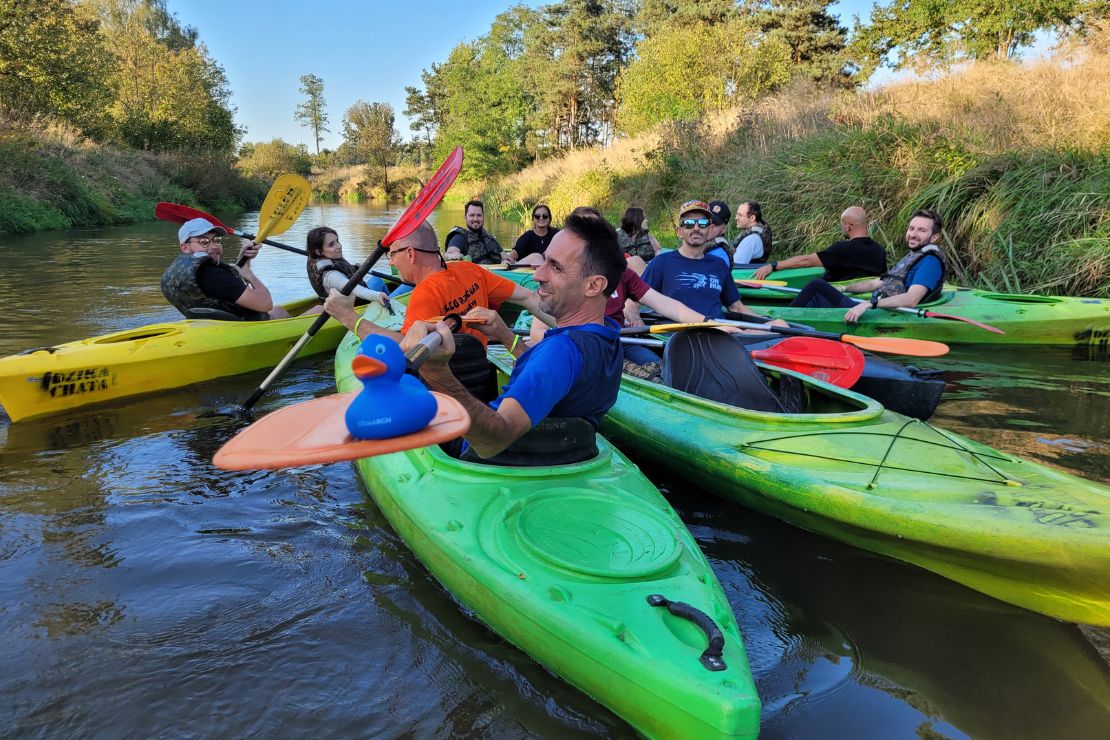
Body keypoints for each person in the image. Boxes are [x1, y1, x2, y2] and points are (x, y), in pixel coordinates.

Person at [401, 206, 628, 460]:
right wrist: (506, 335)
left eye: (555, 267)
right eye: (544, 260)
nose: (538, 274)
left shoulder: (560, 351)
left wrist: (437, 373)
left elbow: (493, 441)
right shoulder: (609, 336)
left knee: (414, 376)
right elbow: (547, 377)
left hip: (480, 452)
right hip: (555, 451)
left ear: (594, 285)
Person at [324, 220, 554, 355]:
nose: (391, 262)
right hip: (479, 369)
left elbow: (404, 349)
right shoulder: (469, 269)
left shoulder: (423, 296)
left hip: (448, 388)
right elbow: (529, 298)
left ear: (411, 254)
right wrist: (574, 328)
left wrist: (349, 318)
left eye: (392, 254)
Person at [786, 209, 947, 324]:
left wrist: (869, 304)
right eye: (911, 228)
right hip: (879, 305)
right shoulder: (915, 255)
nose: (913, 234)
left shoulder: (930, 263)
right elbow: (877, 283)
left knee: (817, 286)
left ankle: (783, 321)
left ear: (934, 237)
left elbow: (911, 299)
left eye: (921, 230)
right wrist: (845, 288)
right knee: (823, 289)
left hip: (881, 314)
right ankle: (794, 319)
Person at [639, 200, 775, 321]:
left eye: (703, 223)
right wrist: (634, 318)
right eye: (689, 223)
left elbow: (736, 308)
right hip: (677, 339)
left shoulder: (719, 265)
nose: (696, 228)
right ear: (679, 231)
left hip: (718, 336)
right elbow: (633, 301)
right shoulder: (661, 263)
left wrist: (767, 322)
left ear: (709, 230)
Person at [161, 217, 306, 320]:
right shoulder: (214, 275)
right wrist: (249, 274)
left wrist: (242, 263)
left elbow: (221, 293)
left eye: (216, 240)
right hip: (245, 330)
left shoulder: (173, 273)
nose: (213, 246)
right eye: (204, 241)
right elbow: (265, 304)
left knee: (279, 310)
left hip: (210, 328)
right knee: (320, 308)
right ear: (185, 247)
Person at [751, 206, 886, 283]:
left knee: (814, 284)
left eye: (842, 225)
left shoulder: (843, 249)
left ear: (848, 226)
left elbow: (807, 261)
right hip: (862, 299)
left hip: (839, 301)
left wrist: (774, 266)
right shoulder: (880, 251)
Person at [305, 226, 391, 307]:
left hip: (356, 297)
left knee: (377, 280)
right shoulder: (331, 275)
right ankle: (391, 307)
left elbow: (344, 271)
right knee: (404, 286)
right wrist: (377, 295)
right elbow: (356, 290)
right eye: (331, 244)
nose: (339, 246)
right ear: (318, 252)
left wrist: (356, 269)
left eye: (337, 241)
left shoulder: (323, 258)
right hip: (357, 306)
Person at [444, 200, 503, 264]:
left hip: (499, 271)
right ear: (465, 217)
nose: (475, 219)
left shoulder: (487, 237)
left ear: (483, 217)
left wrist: (507, 260)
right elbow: (449, 254)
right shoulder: (459, 238)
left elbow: (504, 256)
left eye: (479, 215)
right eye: (472, 215)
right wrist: (452, 255)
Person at [615, 207, 661, 271]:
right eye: (644, 218)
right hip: (628, 271)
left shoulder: (647, 235)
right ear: (636, 219)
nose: (646, 220)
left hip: (648, 269)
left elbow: (658, 250)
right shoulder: (618, 235)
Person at [732, 200, 772, 265]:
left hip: (744, 274)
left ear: (752, 218)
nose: (736, 218)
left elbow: (735, 266)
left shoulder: (751, 239)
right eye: (736, 214)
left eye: (740, 215)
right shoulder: (756, 235)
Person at [704, 200, 734, 267]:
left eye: (715, 223)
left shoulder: (719, 257)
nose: (710, 226)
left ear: (723, 229)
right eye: (707, 221)